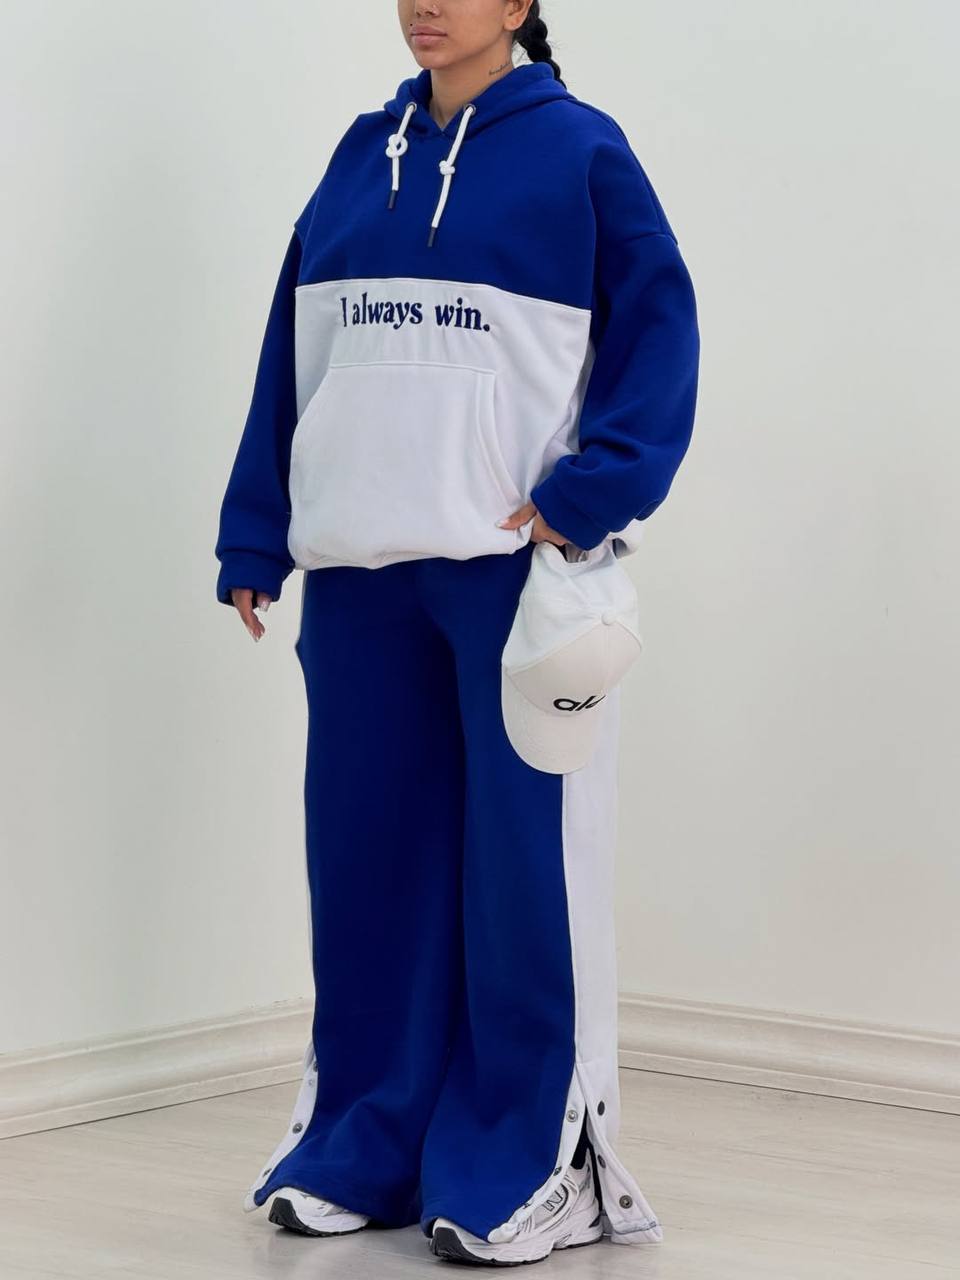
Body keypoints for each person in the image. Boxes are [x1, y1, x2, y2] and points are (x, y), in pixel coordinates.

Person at [214, 0, 699, 1267]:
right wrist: (256, 530)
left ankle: (535, 1159)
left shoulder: (582, 152)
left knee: (522, 879)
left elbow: (661, 325)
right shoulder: (357, 155)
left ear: (523, 3)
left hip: (509, 574)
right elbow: (293, 349)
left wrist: (593, 489)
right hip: (360, 577)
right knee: (368, 865)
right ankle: (363, 1142)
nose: (426, 2)